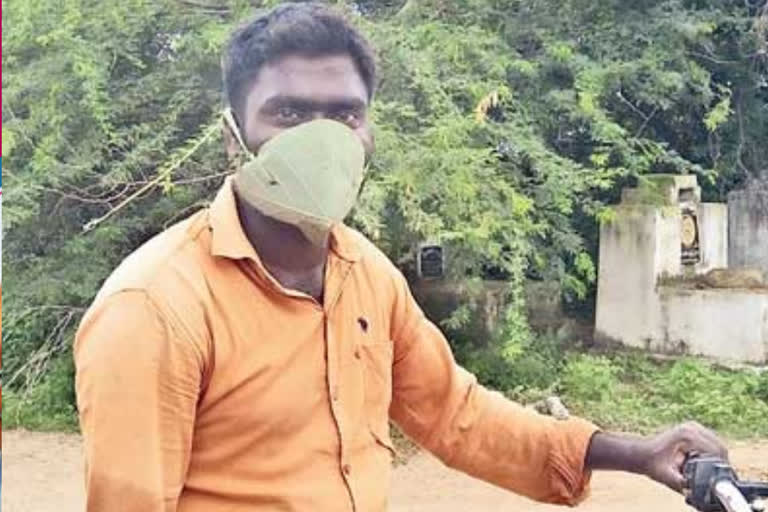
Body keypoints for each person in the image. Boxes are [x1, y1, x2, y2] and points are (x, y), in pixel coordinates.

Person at [74, 3, 727, 511]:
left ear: (369, 132)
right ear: (232, 137)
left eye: (345, 115)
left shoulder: (365, 274)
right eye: (289, 112)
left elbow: (457, 415)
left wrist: (636, 454)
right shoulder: (154, 309)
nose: (322, 139)